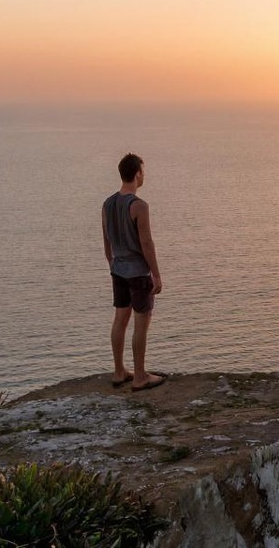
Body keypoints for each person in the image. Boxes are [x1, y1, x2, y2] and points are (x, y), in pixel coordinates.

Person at [102, 153, 167, 391]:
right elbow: (146, 243)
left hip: (118, 269)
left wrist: (113, 263)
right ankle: (140, 376)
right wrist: (156, 274)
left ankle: (119, 371)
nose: (144, 175)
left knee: (120, 319)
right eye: (143, 171)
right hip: (138, 272)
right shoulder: (139, 206)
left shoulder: (107, 204)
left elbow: (106, 240)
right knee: (141, 322)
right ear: (137, 174)